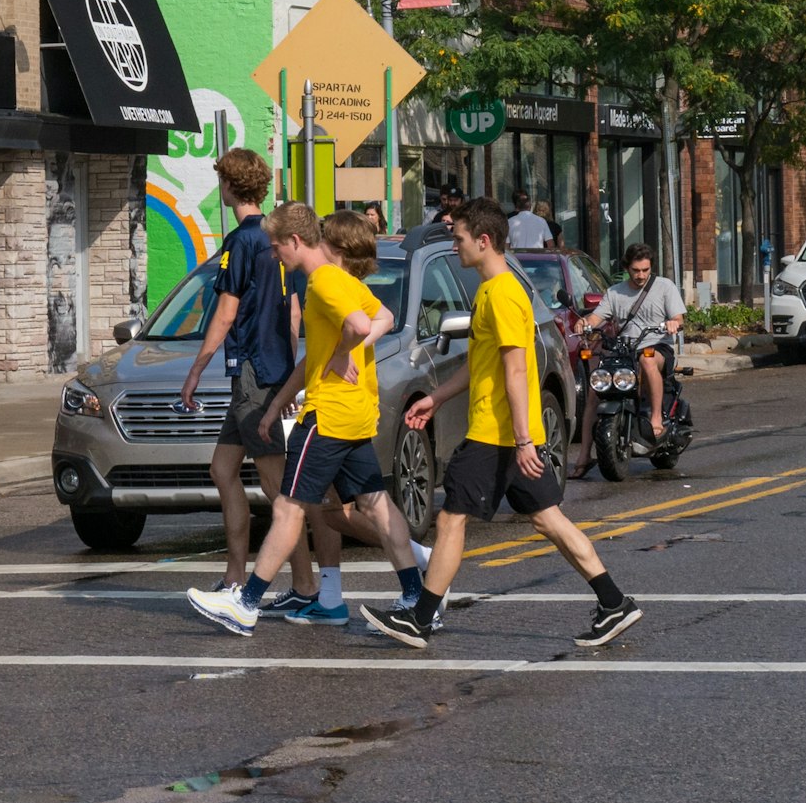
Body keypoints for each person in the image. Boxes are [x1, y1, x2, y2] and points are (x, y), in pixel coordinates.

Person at [388, 197, 641, 650]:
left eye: (461, 238)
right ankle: (614, 602)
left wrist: (524, 439)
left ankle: (421, 619)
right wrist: (436, 397)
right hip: (507, 433)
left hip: (498, 433)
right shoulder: (490, 290)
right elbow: (482, 363)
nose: (457, 245)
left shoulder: (503, 294)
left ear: (484, 241)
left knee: (450, 521)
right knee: (548, 519)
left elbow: (517, 370)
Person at [184, 206, 431, 647]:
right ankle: (417, 597)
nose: (275, 255)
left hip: (328, 416)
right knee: (376, 503)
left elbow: (359, 326)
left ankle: (246, 603)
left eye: (277, 246)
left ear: (296, 242)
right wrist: (281, 399)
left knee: (288, 508)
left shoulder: (324, 282)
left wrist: (343, 352)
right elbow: (383, 319)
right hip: (354, 413)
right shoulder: (346, 282)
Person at [175, 148, 297, 583]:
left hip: (251, 372)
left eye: (221, 181)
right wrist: (288, 365)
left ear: (229, 185)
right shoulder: (277, 236)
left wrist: (194, 372)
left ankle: (305, 584)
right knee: (222, 469)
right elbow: (293, 312)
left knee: (277, 488)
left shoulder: (242, 241)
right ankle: (234, 576)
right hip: (267, 368)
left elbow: (226, 314)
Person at [596, 243, 686, 443]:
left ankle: (656, 417)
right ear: (626, 268)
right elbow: (597, 317)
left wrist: (673, 323)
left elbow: (679, 319)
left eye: (645, 270)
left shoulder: (665, 287)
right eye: (636, 271)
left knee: (647, 359)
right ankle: (585, 453)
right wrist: (584, 323)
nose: (641, 275)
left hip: (658, 345)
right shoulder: (614, 292)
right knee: (598, 381)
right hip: (625, 350)